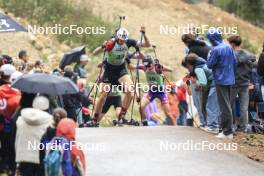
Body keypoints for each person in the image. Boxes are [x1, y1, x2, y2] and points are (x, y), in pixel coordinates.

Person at [91, 27, 150, 126]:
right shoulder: (111, 43)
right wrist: (103, 46)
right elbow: (94, 53)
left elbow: (147, 45)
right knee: (102, 97)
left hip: (121, 69)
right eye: (120, 39)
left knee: (130, 92)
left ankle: (122, 116)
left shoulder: (129, 42)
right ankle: (95, 119)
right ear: (117, 37)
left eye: (124, 40)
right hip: (109, 71)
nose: (122, 41)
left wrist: (144, 34)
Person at [206, 27, 236, 139]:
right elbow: (234, 62)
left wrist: (209, 56)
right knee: (227, 104)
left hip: (220, 79)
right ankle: (226, 130)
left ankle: (227, 132)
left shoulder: (215, 49)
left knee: (224, 106)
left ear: (212, 38)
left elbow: (209, 64)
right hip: (230, 79)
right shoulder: (228, 47)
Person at [15, 96, 53, 176]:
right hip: (41, 157)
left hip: (24, 157)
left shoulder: (21, 119)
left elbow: (17, 140)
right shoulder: (49, 120)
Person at [184, 53, 220, 133]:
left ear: (190, 64)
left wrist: (195, 81)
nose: (188, 68)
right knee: (212, 105)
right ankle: (213, 125)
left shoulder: (198, 69)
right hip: (216, 83)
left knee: (211, 105)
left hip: (215, 85)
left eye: (187, 66)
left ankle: (213, 126)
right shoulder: (203, 64)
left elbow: (203, 82)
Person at [135, 54, 175, 126]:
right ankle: (144, 123)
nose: (148, 68)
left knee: (168, 113)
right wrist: (127, 60)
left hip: (161, 92)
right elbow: (132, 67)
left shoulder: (157, 67)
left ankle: (175, 127)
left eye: (149, 66)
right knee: (141, 106)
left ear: (152, 63)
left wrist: (162, 67)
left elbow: (171, 69)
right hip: (152, 91)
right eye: (146, 66)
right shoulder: (144, 67)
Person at [228, 35, 256, 132]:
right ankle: (243, 127)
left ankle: (231, 125)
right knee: (244, 107)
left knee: (229, 105)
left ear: (232, 44)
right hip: (245, 83)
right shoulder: (248, 55)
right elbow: (253, 60)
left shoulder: (231, 55)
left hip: (233, 83)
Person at [39, 108, 67, 174]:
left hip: (47, 166)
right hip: (61, 169)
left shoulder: (48, 132)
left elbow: (42, 149)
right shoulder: (66, 133)